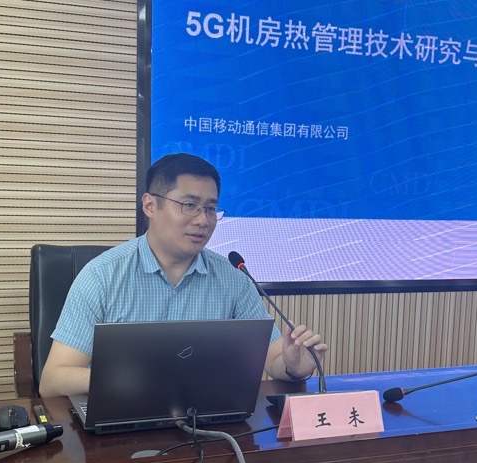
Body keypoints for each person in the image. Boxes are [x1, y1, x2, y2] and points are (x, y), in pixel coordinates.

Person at [39, 153, 327, 397]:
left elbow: (273, 358)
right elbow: (54, 379)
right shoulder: (102, 275)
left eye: (211, 209)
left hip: (206, 420)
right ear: (150, 205)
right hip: (121, 419)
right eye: (189, 205)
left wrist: (293, 366)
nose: (203, 220)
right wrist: (138, 379)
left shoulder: (233, 280)